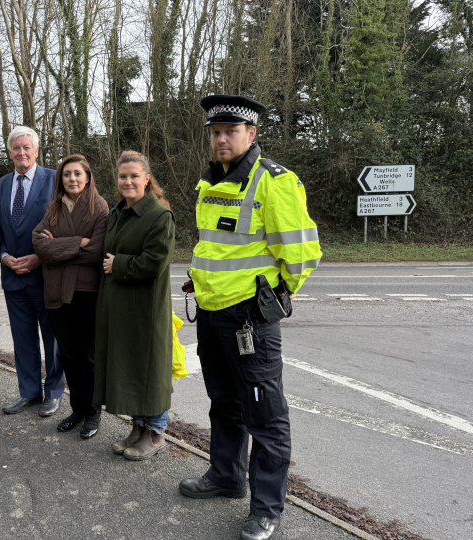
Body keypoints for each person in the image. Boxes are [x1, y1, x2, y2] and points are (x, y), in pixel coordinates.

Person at [178, 95, 322, 540]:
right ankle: (226, 476)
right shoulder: (208, 183)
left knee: (266, 416)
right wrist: (200, 280)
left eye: (231, 132)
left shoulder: (273, 182)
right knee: (224, 404)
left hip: (250, 321)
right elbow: (215, 248)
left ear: (251, 134)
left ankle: (266, 508)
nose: (221, 139)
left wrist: (273, 298)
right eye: (215, 132)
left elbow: (301, 253)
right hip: (212, 312)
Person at [93, 150, 175, 460]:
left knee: (150, 370)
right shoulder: (117, 213)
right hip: (120, 307)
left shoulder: (159, 216)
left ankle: (155, 434)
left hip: (146, 310)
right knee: (131, 370)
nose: (128, 181)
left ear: (147, 179)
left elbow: (154, 263)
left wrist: (119, 264)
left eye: (134, 176)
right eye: (123, 177)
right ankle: (138, 429)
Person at [32, 155, 109, 439]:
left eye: (78, 174)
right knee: (67, 355)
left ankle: (92, 412)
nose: (72, 179)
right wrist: (78, 243)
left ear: (88, 177)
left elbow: (97, 251)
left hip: (86, 293)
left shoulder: (99, 208)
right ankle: (77, 409)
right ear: (60, 179)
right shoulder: (53, 208)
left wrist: (60, 249)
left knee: (87, 356)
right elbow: (39, 244)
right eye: (67, 174)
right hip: (56, 292)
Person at [0, 126, 65, 417]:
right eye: (16, 148)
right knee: (22, 340)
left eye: (27, 147)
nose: (21, 153)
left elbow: (66, 226)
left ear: (36, 150)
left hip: (46, 275)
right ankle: (29, 392)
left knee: (53, 339)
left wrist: (40, 256)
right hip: (13, 278)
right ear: (9, 153)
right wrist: (4, 256)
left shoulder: (55, 179)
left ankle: (54, 392)